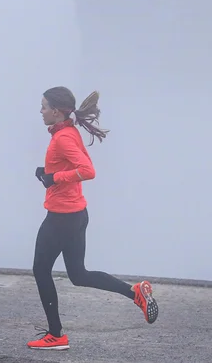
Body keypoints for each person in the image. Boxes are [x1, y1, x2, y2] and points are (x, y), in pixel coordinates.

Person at [27, 87, 158, 350]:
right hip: (76, 215)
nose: (40, 111)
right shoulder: (69, 133)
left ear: (56, 110)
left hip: (61, 218)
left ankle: (56, 335)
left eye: (43, 106)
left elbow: (88, 171)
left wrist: (54, 178)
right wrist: (48, 173)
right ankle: (135, 293)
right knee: (78, 274)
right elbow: (74, 166)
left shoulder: (64, 137)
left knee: (41, 270)